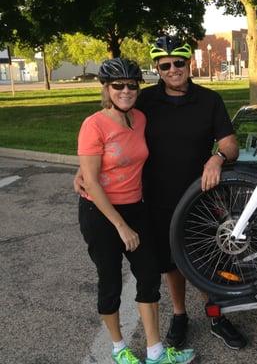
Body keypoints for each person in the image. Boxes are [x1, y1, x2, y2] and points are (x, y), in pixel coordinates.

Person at [75, 37, 247, 350]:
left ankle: (217, 316)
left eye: (178, 63)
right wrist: (84, 171)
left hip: (200, 198)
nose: (172, 70)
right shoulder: (144, 101)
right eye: (164, 65)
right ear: (157, 68)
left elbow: (230, 144)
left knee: (206, 260)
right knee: (169, 264)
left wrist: (218, 157)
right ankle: (179, 315)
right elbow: (111, 131)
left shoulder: (210, 100)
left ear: (189, 63)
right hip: (155, 200)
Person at [77, 57, 196, 364]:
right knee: (110, 280)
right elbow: (90, 179)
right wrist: (120, 225)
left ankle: (155, 351)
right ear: (106, 88)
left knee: (148, 275)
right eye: (118, 85)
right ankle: (118, 349)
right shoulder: (94, 124)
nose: (126, 91)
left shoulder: (140, 119)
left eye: (132, 85)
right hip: (102, 214)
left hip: (135, 206)